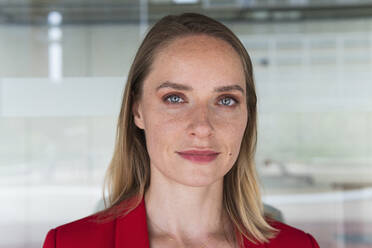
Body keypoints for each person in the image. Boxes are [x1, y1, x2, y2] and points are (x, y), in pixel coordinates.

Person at [42, 13, 320, 248]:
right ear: (138, 111)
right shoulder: (68, 243)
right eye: (174, 98)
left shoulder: (299, 245)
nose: (202, 127)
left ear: (248, 115)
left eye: (226, 100)